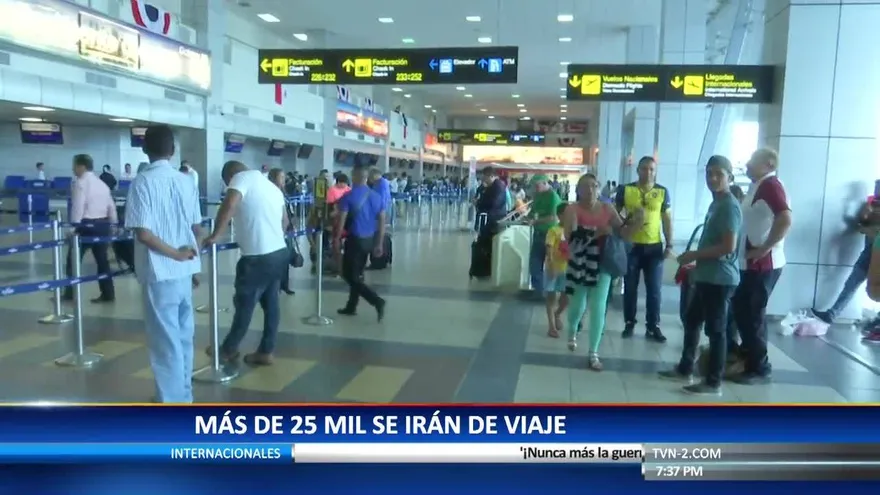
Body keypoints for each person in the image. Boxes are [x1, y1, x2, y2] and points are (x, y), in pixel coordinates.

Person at [125, 125, 202, 403]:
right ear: (172, 151)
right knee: (184, 338)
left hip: (160, 273)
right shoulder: (186, 181)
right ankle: (184, 395)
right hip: (184, 274)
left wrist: (175, 255)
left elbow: (143, 233)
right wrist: (192, 264)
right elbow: (197, 229)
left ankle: (171, 402)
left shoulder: (142, 182)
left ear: (145, 149)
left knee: (164, 341)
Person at [659, 156, 742, 396]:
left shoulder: (728, 206)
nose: (713, 179)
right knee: (692, 319)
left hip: (720, 279)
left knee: (716, 331)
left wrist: (694, 254)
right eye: (709, 174)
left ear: (730, 176)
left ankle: (713, 382)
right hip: (707, 275)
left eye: (719, 174)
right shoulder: (716, 203)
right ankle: (686, 367)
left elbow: (728, 246)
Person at [203, 161, 288, 366]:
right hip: (279, 252)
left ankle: (228, 349)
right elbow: (285, 221)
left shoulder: (240, 178)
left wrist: (215, 235)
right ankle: (266, 351)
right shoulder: (271, 186)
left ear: (229, 176)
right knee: (271, 304)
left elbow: (230, 204)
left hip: (256, 257)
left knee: (244, 304)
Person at [564, 174, 642, 370]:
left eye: (593, 186)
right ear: (578, 190)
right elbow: (570, 238)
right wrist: (597, 232)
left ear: (599, 188)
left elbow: (622, 232)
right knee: (577, 305)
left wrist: (636, 222)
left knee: (598, 306)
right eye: (584, 186)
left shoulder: (608, 208)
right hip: (581, 262)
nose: (589, 190)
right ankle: (573, 329)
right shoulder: (572, 209)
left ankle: (593, 352)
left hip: (603, 263)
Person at [731, 148, 792, 385]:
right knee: (742, 311)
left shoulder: (771, 185)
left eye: (752, 161)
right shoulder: (759, 185)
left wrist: (765, 247)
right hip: (750, 263)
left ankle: (759, 368)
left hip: (763, 264)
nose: (747, 164)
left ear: (768, 164)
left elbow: (785, 218)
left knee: (753, 315)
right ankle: (748, 359)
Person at [615, 156, 673, 342]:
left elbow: (666, 220)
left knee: (654, 289)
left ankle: (653, 325)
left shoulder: (662, 192)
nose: (648, 172)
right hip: (631, 247)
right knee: (630, 287)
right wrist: (623, 229)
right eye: (644, 169)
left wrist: (669, 243)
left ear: (655, 171)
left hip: (654, 248)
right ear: (637, 170)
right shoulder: (625, 190)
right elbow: (614, 216)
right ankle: (629, 323)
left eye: (651, 169)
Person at [812, 198, 878, 324]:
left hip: (876, 255)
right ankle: (832, 314)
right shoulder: (872, 205)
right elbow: (861, 224)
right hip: (868, 253)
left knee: (873, 289)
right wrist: (862, 212)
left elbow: (869, 230)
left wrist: (867, 229)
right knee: (851, 284)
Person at [335, 164, 386, 321]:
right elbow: (382, 222)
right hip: (369, 240)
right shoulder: (377, 197)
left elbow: (341, 222)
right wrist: (379, 244)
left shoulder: (347, 198)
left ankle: (376, 300)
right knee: (358, 274)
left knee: (348, 275)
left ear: (355, 177)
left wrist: (336, 240)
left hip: (355, 241)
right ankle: (351, 306)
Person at [64, 154, 117, 303]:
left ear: (82, 166)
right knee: (102, 261)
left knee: (73, 260)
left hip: (85, 226)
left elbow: (78, 207)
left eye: (74, 165)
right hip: (102, 225)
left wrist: (73, 228)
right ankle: (108, 294)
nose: (73, 169)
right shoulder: (102, 184)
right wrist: (113, 224)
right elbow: (111, 206)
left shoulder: (79, 183)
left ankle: (70, 293)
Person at [528, 175, 563, 295]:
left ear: (545, 183)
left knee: (550, 262)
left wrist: (536, 221)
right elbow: (533, 211)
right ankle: (538, 291)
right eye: (534, 186)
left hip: (550, 235)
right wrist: (530, 218)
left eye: (538, 186)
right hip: (538, 233)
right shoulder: (538, 196)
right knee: (534, 263)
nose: (536, 188)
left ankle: (550, 291)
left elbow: (553, 217)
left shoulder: (553, 197)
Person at [544, 203, 570, 339]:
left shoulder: (573, 231)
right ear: (560, 216)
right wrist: (552, 264)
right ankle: (551, 326)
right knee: (551, 298)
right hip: (553, 269)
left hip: (567, 270)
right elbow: (549, 249)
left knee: (567, 298)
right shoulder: (553, 230)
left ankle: (557, 313)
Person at [269, 168, 296, 295]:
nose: (284, 180)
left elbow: (289, 210)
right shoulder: (270, 193)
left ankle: (285, 284)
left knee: (286, 259)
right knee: (276, 261)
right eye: (281, 177)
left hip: (287, 231)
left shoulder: (284, 193)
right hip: (276, 231)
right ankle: (275, 286)